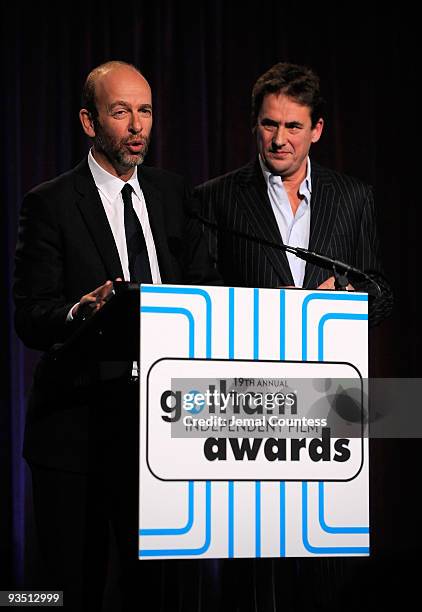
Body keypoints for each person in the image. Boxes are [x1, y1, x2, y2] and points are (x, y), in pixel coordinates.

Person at [13, 60, 220, 611]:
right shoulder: (50, 203)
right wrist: (81, 312)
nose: (137, 126)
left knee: (156, 593)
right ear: (88, 121)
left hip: (161, 434)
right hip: (76, 433)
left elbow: (202, 292)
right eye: (121, 111)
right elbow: (30, 317)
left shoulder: (175, 194)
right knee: (61, 591)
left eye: (145, 111)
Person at [195, 61, 393, 326]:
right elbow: (199, 295)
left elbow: (380, 295)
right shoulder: (215, 197)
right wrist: (263, 308)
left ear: (316, 130)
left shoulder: (353, 197)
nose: (279, 139)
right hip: (250, 361)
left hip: (331, 361)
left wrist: (347, 298)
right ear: (254, 125)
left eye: (293, 127)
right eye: (269, 124)